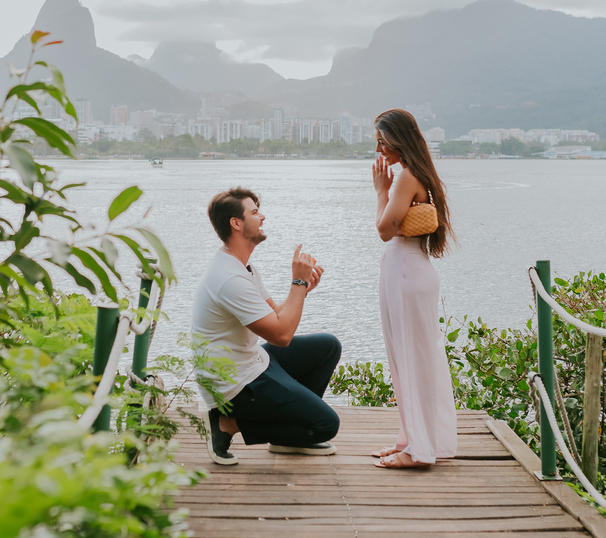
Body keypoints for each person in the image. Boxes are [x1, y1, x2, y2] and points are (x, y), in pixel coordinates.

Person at [192, 187, 342, 466]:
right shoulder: (229, 279)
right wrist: (297, 282)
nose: (263, 217)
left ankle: (292, 431)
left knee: (327, 347)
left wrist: (302, 289)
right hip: (233, 383)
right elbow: (282, 335)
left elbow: (275, 314)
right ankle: (228, 422)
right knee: (325, 425)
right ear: (236, 223)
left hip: (251, 361)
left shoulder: (242, 266)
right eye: (255, 212)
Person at [371, 109, 458, 469]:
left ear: (399, 139)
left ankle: (419, 450)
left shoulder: (406, 177)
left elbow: (385, 228)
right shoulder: (419, 173)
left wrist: (381, 190)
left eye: (382, 140)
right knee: (410, 358)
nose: (378, 148)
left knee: (412, 358)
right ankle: (414, 439)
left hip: (406, 272)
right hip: (408, 270)